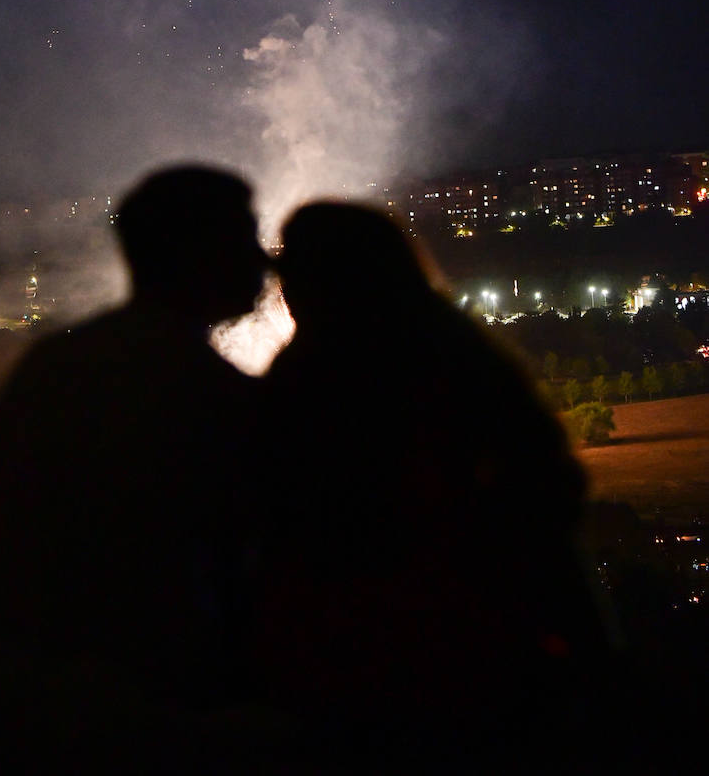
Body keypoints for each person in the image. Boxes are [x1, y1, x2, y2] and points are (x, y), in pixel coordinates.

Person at [0, 165, 270, 774]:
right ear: (199, 254)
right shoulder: (205, 393)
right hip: (134, 706)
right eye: (246, 240)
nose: (262, 264)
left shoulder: (56, 365)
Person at [256, 201, 614, 773]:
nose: (283, 292)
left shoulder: (315, 378)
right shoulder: (458, 353)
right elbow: (547, 486)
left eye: (294, 275)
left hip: (387, 657)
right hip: (479, 647)